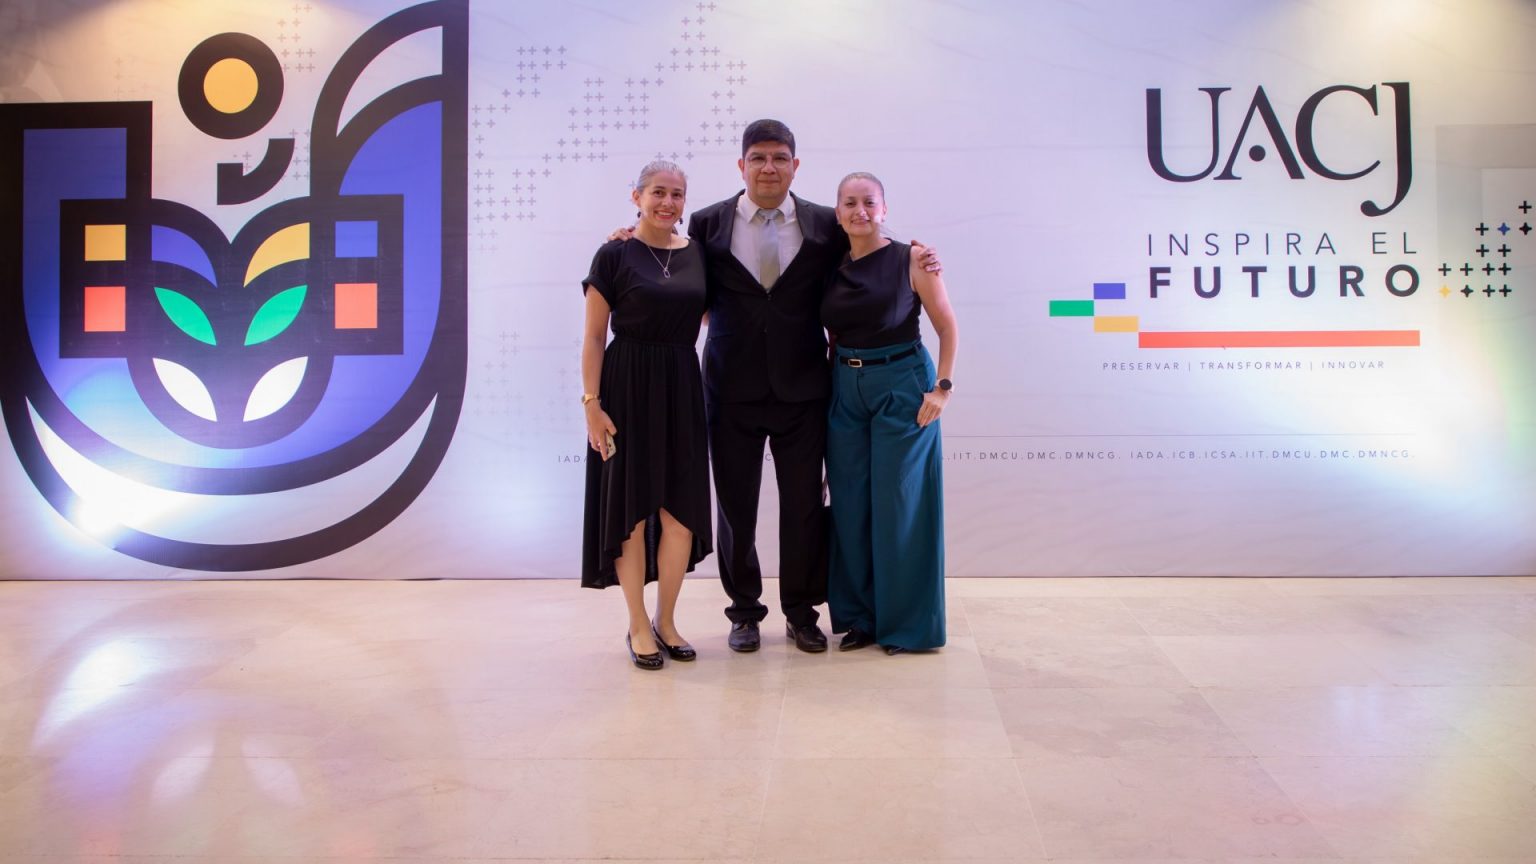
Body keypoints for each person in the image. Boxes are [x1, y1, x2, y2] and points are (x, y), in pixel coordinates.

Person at [684, 119, 942, 654]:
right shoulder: (707, 223)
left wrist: (920, 254)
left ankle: (802, 612)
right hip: (730, 388)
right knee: (735, 508)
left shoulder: (826, 222)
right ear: (742, 165)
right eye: (758, 158)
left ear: (795, 165)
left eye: (780, 157)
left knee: (804, 507)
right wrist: (626, 236)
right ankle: (744, 612)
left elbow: (872, 248)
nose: (769, 167)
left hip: (805, 389)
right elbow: (683, 275)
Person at [580, 160, 711, 670]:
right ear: (636, 196)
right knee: (631, 516)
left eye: (677, 194)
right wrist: (592, 404)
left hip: (682, 385)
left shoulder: (699, 254)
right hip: (626, 386)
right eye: (658, 192)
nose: (667, 203)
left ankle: (667, 621)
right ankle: (637, 624)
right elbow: (595, 336)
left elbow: (713, 312)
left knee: (680, 514)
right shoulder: (613, 254)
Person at [820, 172, 958, 654]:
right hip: (845, 386)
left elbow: (947, 326)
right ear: (837, 212)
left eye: (869, 202)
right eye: (850, 203)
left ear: (884, 209)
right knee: (851, 505)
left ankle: (906, 626)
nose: (860, 211)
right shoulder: (829, 264)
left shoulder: (912, 259)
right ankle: (861, 619)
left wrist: (942, 389)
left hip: (902, 382)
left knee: (900, 506)